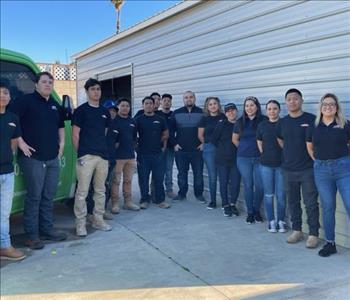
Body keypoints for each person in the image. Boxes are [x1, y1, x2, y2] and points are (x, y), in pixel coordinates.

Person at [9, 72, 67, 250]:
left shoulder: (54, 105)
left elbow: (61, 125)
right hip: (32, 158)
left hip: (52, 158)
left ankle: (47, 230)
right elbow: (10, 120)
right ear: (36, 84)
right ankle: (32, 236)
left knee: (48, 196)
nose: (47, 84)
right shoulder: (25, 101)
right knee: (34, 197)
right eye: (44, 82)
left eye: (50, 82)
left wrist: (62, 144)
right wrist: (21, 142)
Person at [306, 93, 350, 257]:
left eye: (332, 104)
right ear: (321, 107)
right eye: (325, 104)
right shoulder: (314, 125)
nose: (328, 107)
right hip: (322, 171)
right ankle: (330, 243)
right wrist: (318, 161)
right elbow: (309, 146)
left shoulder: (345, 124)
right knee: (328, 207)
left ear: (337, 107)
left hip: (344, 169)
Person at [276, 88, 320, 248]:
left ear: (301, 101)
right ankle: (297, 230)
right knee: (293, 201)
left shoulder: (311, 119)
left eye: (295, 98)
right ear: (286, 102)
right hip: (288, 169)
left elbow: (317, 143)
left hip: (308, 169)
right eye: (289, 99)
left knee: (310, 203)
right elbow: (281, 142)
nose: (292, 101)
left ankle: (314, 234)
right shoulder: (282, 122)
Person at [72, 78, 115, 237]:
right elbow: (75, 135)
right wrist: (81, 155)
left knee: (100, 190)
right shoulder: (81, 111)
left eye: (98, 89)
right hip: (86, 157)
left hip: (102, 157)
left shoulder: (104, 112)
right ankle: (80, 224)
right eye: (93, 89)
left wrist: (104, 154)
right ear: (87, 91)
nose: (96, 92)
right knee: (82, 192)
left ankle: (98, 219)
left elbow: (104, 134)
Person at [0, 79, 33, 260]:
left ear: (10, 96)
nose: (2, 95)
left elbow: (14, 142)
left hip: (7, 172)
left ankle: (4, 246)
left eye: (5, 92)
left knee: (4, 213)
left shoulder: (13, 118)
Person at [232, 96, 265, 224]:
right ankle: (250, 212)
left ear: (257, 106)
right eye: (247, 106)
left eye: (252, 105)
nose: (249, 108)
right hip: (243, 158)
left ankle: (257, 211)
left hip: (260, 158)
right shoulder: (240, 122)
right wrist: (244, 148)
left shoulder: (264, 120)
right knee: (248, 185)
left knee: (260, 186)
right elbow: (234, 139)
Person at [135, 96, 170, 209]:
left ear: (154, 105)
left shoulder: (160, 119)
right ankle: (144, 199)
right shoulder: (138, 119)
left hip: (157, 154)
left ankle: (160, 200)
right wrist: (137, 148)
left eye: (151, 103)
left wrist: (163, 148)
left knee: (158, 178)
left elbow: (166, 134)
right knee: (143, 179)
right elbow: (132, 136)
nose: (149, 105)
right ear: (143, 105)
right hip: (143, 155)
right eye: (146, 103)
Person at [256, 100, 287, 233]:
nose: (272, 111)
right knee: (268, 194)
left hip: (281, 165)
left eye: (275, 108)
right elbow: (259, 142)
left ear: (279, 110)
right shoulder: (262, 125)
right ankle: (271, 221)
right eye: (269, 109)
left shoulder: (285, 123)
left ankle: (281, 220)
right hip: (266, 165)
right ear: (266, 111)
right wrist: (265, 154)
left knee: (281, 195)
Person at [170, 91, 205, 202]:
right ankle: (182, 194)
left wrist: (204, 143)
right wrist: (174, 143)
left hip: (197, 150)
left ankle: (199, 194)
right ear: (183, 99)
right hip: (181, 151)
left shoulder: (202, 112)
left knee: (198, 174)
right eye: (186, 97)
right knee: (182, 175)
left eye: (191, 97)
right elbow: (170, 130)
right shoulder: (176, 113)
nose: (188, 99)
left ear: (194, 98)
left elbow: (208, 130)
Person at [86, 99, 118, 220]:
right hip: (99, 160)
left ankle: (101, 210)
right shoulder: (98, 125)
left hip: (111, 160)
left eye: (114, 110)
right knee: (94, 187)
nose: (112, 113)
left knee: (106, 186)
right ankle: (90, 213)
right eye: (109, 110)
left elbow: (116, 143)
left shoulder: (115, 125)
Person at [110, 98, 140, 213]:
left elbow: (134, 137)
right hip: (117, 157)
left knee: (128, 181)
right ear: (118, 106)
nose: (125, 108)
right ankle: (115, 204)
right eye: (123, 105)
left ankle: (128, 202)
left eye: (127, 106)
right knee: (116, 181)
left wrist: (133, 147)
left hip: (130, 156)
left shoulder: (132, 121)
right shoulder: (113, 121)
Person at [211, 103, 241, 217]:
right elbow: (213, 140)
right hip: (222, 160)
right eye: (228, 111)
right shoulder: (221, 124)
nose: (231, 113)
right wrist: (223, 148)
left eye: (233, 110)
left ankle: (233, 204)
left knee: (236, 183)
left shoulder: (240, 124)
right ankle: (225, 205)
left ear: (236, 111)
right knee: (223, 182)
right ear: (225, 113)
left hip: (236, 160)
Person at [198, 97, 226, 209]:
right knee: (213, 176)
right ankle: (213, 201)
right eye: (210, 104)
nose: (213, 106)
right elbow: (200, 135)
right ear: (207, 107)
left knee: (223, 176)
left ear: (218, 105)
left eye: (215, 103)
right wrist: (207, 143)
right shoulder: (204, 119)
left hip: (223, 149)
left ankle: (225, 202)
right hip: (209, 149)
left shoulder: (224, 117)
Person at [158, 93, 176, 199]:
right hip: (158, 147)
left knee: (169, 169)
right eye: (164, 100)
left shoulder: (174, 115)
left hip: (170, 147)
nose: (166, 102)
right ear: (160, 102)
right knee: (158, 170)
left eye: (168, 101)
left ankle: (169, 190)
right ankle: (157, 190)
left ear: (171, 103)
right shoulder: (157, 114)